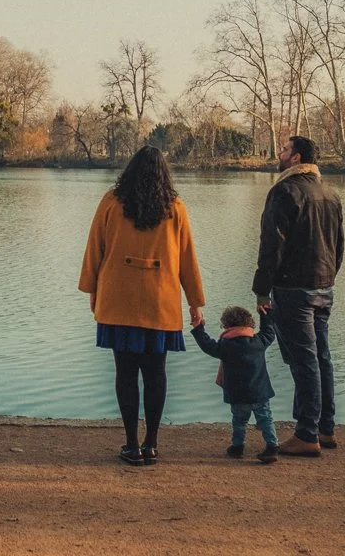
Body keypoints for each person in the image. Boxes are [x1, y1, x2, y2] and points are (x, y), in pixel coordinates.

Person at [78, 145, 205, 466]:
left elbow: (95, 248)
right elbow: (188, 258)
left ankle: (131, 444)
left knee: (125, 373)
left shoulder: (111, 202)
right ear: (165, 173)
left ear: (130, 170)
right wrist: (195, 302)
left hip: (118, 299)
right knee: (156, 373)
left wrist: (91, 288)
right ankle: (151, 444)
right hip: (159, 302)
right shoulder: (175, 207)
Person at [253, 135, 344, 457]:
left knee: (304, 361)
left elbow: (271, 246)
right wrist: (328, 278)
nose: (279, 153)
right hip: (324, 286)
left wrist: (261, 290)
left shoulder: (284, 191)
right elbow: (339, 245)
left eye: (284, 149)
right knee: (322, 357)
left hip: (293, 288)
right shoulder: (330, 193)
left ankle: (307, 433)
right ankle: (326, 428)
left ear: (296, 158)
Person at [190, 305, 279, 462]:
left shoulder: (225, 346)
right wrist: (265, 315)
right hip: (260, 392)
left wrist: (199, 328)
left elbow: (206, 344)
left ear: (226, 326)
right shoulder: (258, 342)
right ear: (250, 324)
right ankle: (272, 446)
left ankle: (237, 446)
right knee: (265, 418)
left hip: (237, 394)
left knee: (239, 421)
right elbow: (269, 333)